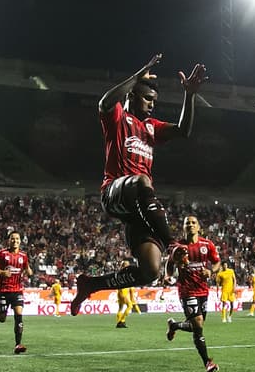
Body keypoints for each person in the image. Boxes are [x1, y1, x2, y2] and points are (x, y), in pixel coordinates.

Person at [70, 53, 207, 315]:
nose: (152, 104)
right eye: (147, 98)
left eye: (154, 100)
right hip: (114, 193)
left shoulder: (151, 127)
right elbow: (105, 102)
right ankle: (172, 244)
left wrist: (190, 95)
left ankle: (90, 285)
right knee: (143, 181)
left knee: (150, 272)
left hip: (138, 210)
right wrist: (136, 76)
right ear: (132, 95)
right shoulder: (119, 118)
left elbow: (183, 131)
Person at [165, 215, 220, 372]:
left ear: (198, 227)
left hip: (203, 290)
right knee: (198, 325)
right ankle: (208, 362)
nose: (190, 225)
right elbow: (169, 263)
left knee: (197, 327)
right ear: (184, 227)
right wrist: (168, 276)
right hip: (186, 290)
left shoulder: (206, 244)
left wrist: (210, 271)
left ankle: (174, 325)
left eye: (193, 222)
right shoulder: (178, 246)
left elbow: (216, 262)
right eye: (187, 223)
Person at [0, 231, 32, 353]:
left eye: (17, 239)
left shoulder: (23, 256)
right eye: (12, 239)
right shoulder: (2, 254)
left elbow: (27, 268)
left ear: (20, 241)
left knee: (19, 316)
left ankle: (18, 344)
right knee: (2, 318)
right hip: (4, 290)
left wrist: (29, 271)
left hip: (17, 291)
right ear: (9, 240)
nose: (15, 241)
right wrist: (1, 272)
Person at [115, 260, 135, 328]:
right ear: (125, 265)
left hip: (120, 292)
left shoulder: (119, 273)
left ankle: (118, 323)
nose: (129, 265)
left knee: (120, 308)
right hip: (124, 291)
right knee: (130, 306)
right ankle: (122, 320)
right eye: (127, 264)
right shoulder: (125, 273)